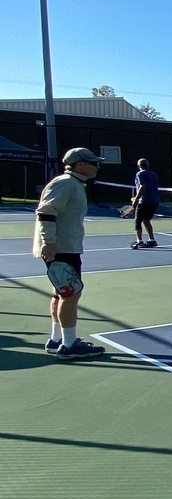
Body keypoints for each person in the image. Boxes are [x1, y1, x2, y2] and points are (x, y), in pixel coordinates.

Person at [32, 147, 107, 360]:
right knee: (71, 294)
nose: (97, 167)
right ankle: (69, 345)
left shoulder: (72, 184)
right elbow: (46, 211)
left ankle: (57, 340)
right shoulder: (65, 183)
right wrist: (49, 243)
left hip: (64, 247)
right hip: (62, 249)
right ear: (80, 164)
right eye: (93, 163)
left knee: (60, 293)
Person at [130, 158, 160, 249]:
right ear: (148, 165)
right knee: (146, 220)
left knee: (137, 220)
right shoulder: (154, 175)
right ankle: (152, 240)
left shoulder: (140, 174)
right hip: (154, 201)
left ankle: (139, 241)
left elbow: (142, 186)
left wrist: (136, 199)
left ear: (139, 166)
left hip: (144, 201)